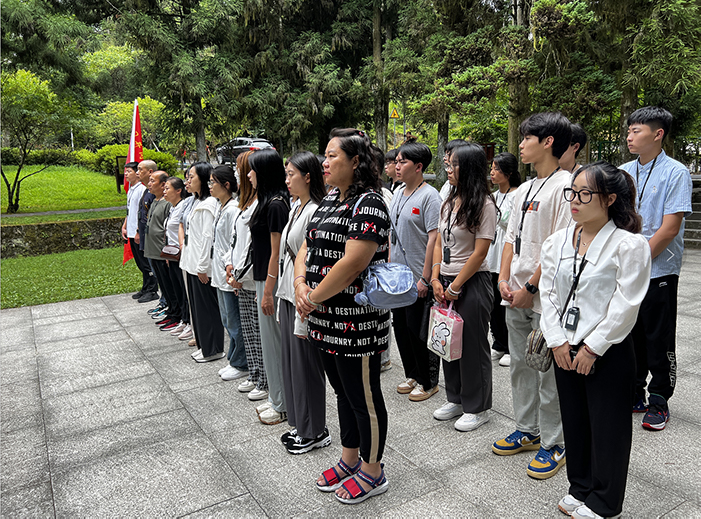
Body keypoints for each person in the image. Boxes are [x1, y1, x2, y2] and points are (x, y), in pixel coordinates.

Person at [540, 162, 651, 518]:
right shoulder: (558, 241)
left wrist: (593, 347)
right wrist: (556, 340)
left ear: (610, 199)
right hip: (564, 348)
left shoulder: (628, 245)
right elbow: (548, 294)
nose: (574, 200)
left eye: (585, 194)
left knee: (608, 428)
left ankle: (605, 501)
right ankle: (581, 487)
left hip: (607, 350)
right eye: (572, 192)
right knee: (575, 421)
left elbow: (626, 304)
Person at [294, 128, 390, 504]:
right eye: (325, 154)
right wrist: (300, 284)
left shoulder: (370, 203)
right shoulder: (331, 199)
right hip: (323, 319)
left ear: (356, 161)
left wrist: (312, 297)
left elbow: (353, 263)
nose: (325, 162)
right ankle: (350, 457)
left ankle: (373, 469)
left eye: (333, 155)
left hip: (356, 323)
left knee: (364, 397)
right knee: (343, 392)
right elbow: (307, 245)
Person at [493, 112, 572, 480]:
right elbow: (510, 238)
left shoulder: (566, 187)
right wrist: (503, 278)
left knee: (548, 372)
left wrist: (531, 288)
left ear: (548, 142)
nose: (521, 144)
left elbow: (558, 248)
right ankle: (527, 429)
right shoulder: (524, 189)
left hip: (546, 298)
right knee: (521, 366)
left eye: (527, 138)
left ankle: (555, 442)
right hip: (515, 293)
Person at [619, 106, 692, 431]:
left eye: (636, 131)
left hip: (659, 270)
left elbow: (669, 228)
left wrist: (638, 260)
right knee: (628, 333)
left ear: (658, 134)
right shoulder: (622, 172)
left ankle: (659, 399)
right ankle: (634, 391)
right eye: (629, 131)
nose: (629, 137)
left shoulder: (676, 173)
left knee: (658, 336)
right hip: (624, 269)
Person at [429, 143, 497, 431]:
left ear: (469, 168)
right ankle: (455, 398)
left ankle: (477, 406)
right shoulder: (449, 201)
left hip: (471, 282)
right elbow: (438, 243)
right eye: (449, 163)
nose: (448, 168)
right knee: (447, 341)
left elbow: (480, 252)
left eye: (454, 164)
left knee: (472, 346)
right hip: (445, 281)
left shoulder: (484, 205)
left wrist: (456, 286)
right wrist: (435, 278)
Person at [277, 151, 330, 454]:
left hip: (303, 297)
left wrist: (304, 300)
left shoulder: (315, 211)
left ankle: (314, 430)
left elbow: (311, 259)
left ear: (308, 177)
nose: (287, 180)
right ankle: (301, 424)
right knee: (292, 365)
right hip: (288, 292)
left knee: (306, 366)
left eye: (291, 174)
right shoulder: (296, 207)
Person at [390, 139, 442, 401]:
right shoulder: (398, 193)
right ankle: (412, 373)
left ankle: (428, 380)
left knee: (418, 329)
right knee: (401, 327)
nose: (397, 166)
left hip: (418, 277)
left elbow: (434, 239)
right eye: (396, 161)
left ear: (419, 166)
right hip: (397, 277)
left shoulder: (430, 196)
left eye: (403, 162)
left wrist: (425, 277)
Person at [247, 149, 290, 425]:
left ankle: (282, 402)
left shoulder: (276, 205)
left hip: (271, 280)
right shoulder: (266, 203)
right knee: (268, 343)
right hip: (264, 278)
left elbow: (277, 253)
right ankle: (276, 396)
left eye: (253, 170)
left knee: (274, 344)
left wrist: (266, 291)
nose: (249, 175)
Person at [226, 152, 268, 399]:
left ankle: (264, 379)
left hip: (251, 278)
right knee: (249, 332)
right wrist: (229, 265)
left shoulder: (260, 205)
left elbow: (254, 248)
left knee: (258, 334)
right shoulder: (245, 204)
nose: (239, 174)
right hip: (241, 277)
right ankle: (254, 374)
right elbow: (236, 241)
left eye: (240, 169)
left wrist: (239, 274)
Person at [180, 162, 225, 363]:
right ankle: (204, 346)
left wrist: (202, 266)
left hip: (202, 266)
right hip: (192, 263)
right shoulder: (196, 201)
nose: (188, 180)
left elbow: (207, 237)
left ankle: (213, 349)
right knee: (197, 308)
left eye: (192, 176)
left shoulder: (209, 204)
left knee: (207, 308)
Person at [210, 165, 249, 381]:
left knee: (235, 322)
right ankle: (234, 358)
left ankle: (240, 362)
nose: (210, 186)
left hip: (228, 273)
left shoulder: (233, 209)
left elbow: (233, 244)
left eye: (213, 182)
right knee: (227, 320)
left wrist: (231, 270)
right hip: (219, 273)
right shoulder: (222, 207)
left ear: (226, 185)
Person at [486, 153, 521, 368]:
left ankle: (509, 347)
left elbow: (510, 224)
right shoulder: (492, 196)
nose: (492, 172)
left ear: (508, 173)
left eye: (496, 169)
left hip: (505, 252)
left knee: (504, 302)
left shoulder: (517, 195)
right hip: (490, 254)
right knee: (492, 303)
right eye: (491, 168)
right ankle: (498, 342)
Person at [142, 171, 180, 331]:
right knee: (163, 284)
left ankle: (176, 314)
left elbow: (168, 231)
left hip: (162, 251)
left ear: (163, 184)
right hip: (152, 250)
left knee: (170, 285)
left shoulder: (167, 204)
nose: (149, 184)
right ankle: (170, 311)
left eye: (153, 181)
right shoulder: (155, 201)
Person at [121, 162, 158, 302]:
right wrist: (124, 226)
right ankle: (145, 287)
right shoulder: (131, 189)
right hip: (131, 231)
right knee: (140, 263)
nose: (126, 174)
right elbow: (130, 211)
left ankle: (152, 289)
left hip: (138, 232)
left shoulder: (142, 190)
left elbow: (142, 213)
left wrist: (138, 231)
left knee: (145, 263)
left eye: (130, 171)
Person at [162, 176, 191, 339]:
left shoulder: (183, 206)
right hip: (172, 254)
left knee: (184, 290)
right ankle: (183, 320)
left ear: (179, 190)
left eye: (167, 188)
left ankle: (189, 321)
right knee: (177, 289)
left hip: (181, 254)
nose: (164, 191)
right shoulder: (172, 208)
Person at [136, 160, 161, 304]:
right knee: (147, 265)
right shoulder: (147, 191)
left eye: (141, 170)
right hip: (145, 235)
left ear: (150, 171)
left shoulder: (154, 194)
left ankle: (152, 290)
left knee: (154, 268)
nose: (138, 173)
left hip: (153, 238)